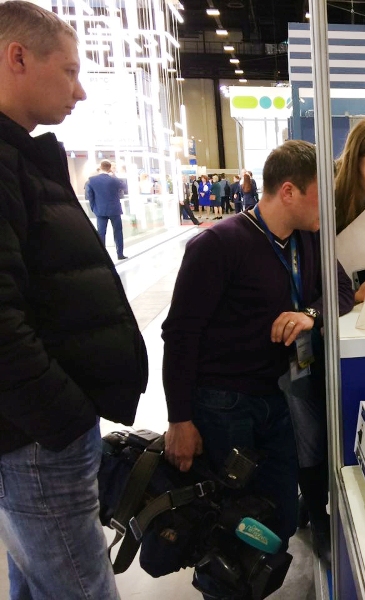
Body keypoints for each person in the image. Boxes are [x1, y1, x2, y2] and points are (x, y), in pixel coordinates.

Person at [0, 3, 149, 598]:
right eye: (69, 71)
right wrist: (63, 417)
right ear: (17, 57)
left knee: (40, 583)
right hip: (39, 439)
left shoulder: (21, 158)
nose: (80, 91)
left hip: (39, 433)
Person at [162, 140, 355, 566]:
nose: (330, 208)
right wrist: (180, 419)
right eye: (322, 194)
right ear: (288, 191)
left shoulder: (309, 239)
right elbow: (180, 335)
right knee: (226, 522)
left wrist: (309, 314)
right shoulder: (218, 244)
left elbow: (342, 292)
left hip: (280, 396)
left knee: (277, 519)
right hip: (224, 405)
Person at [86, 158, 128, 259]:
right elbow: (124, 187)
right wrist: (113, 175)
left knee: (101, 233)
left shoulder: (92, 180)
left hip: (100, 210)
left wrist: (93, 208)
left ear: (100, 167)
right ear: (110, 168)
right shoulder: (114, 180)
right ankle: (120, 254)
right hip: (115, 210)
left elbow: (89, 195)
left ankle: (102, 256)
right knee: (118, 232)